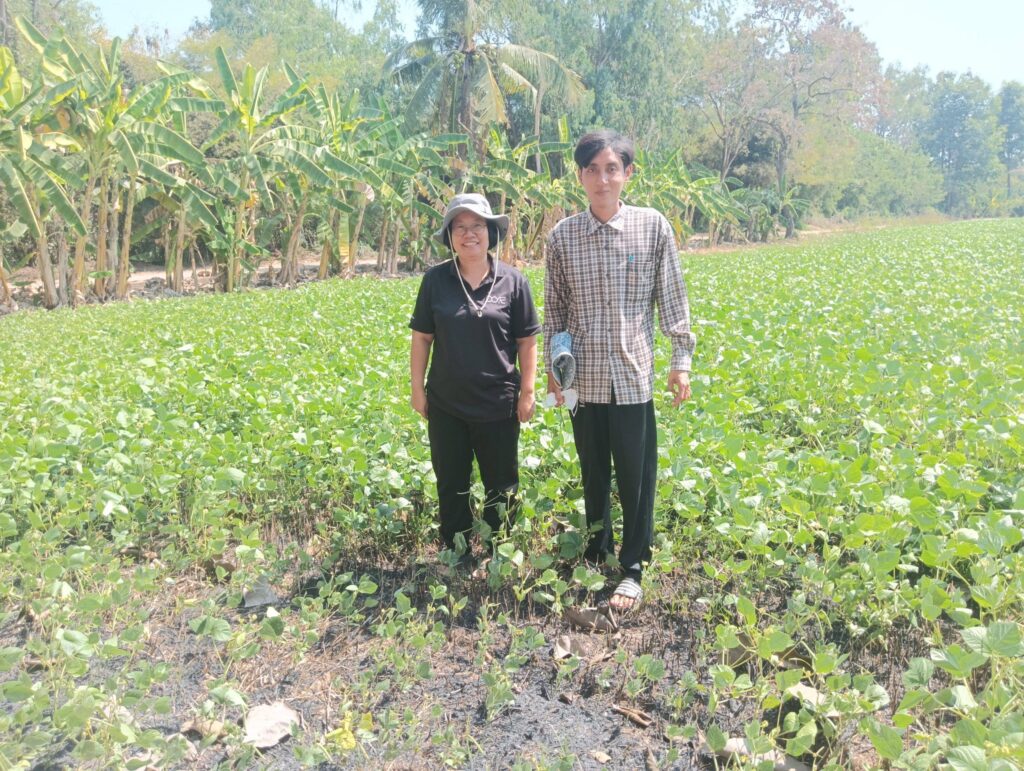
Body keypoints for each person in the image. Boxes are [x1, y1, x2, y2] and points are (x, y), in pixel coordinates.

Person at [544, 130, 696, 611]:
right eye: (592, 169)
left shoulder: (652, 227)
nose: (602, 179)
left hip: (633, 375)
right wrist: (553, 369)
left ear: (628, 173)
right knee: (592, 471)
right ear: (580, 176)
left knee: (636, 475)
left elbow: (671, 297)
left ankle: (633, 567)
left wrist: (680, 360)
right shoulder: (562, 237)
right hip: (583, 379)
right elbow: (556, 311)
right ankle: (596, 550)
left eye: (611, 168)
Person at [410, 193, 540, 569]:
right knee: (451, 481)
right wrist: (417, 389)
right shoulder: (436, 280)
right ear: (450, 236)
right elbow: (422, 338)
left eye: (478, 226)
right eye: (461, 227)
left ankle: (500, 552)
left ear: (490, 232)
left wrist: (527, 392)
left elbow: (527, 341)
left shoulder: (513, 281)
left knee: (502, 482)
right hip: (446, 403)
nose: (470, 234)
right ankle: (457, 551)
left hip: (498, 403)